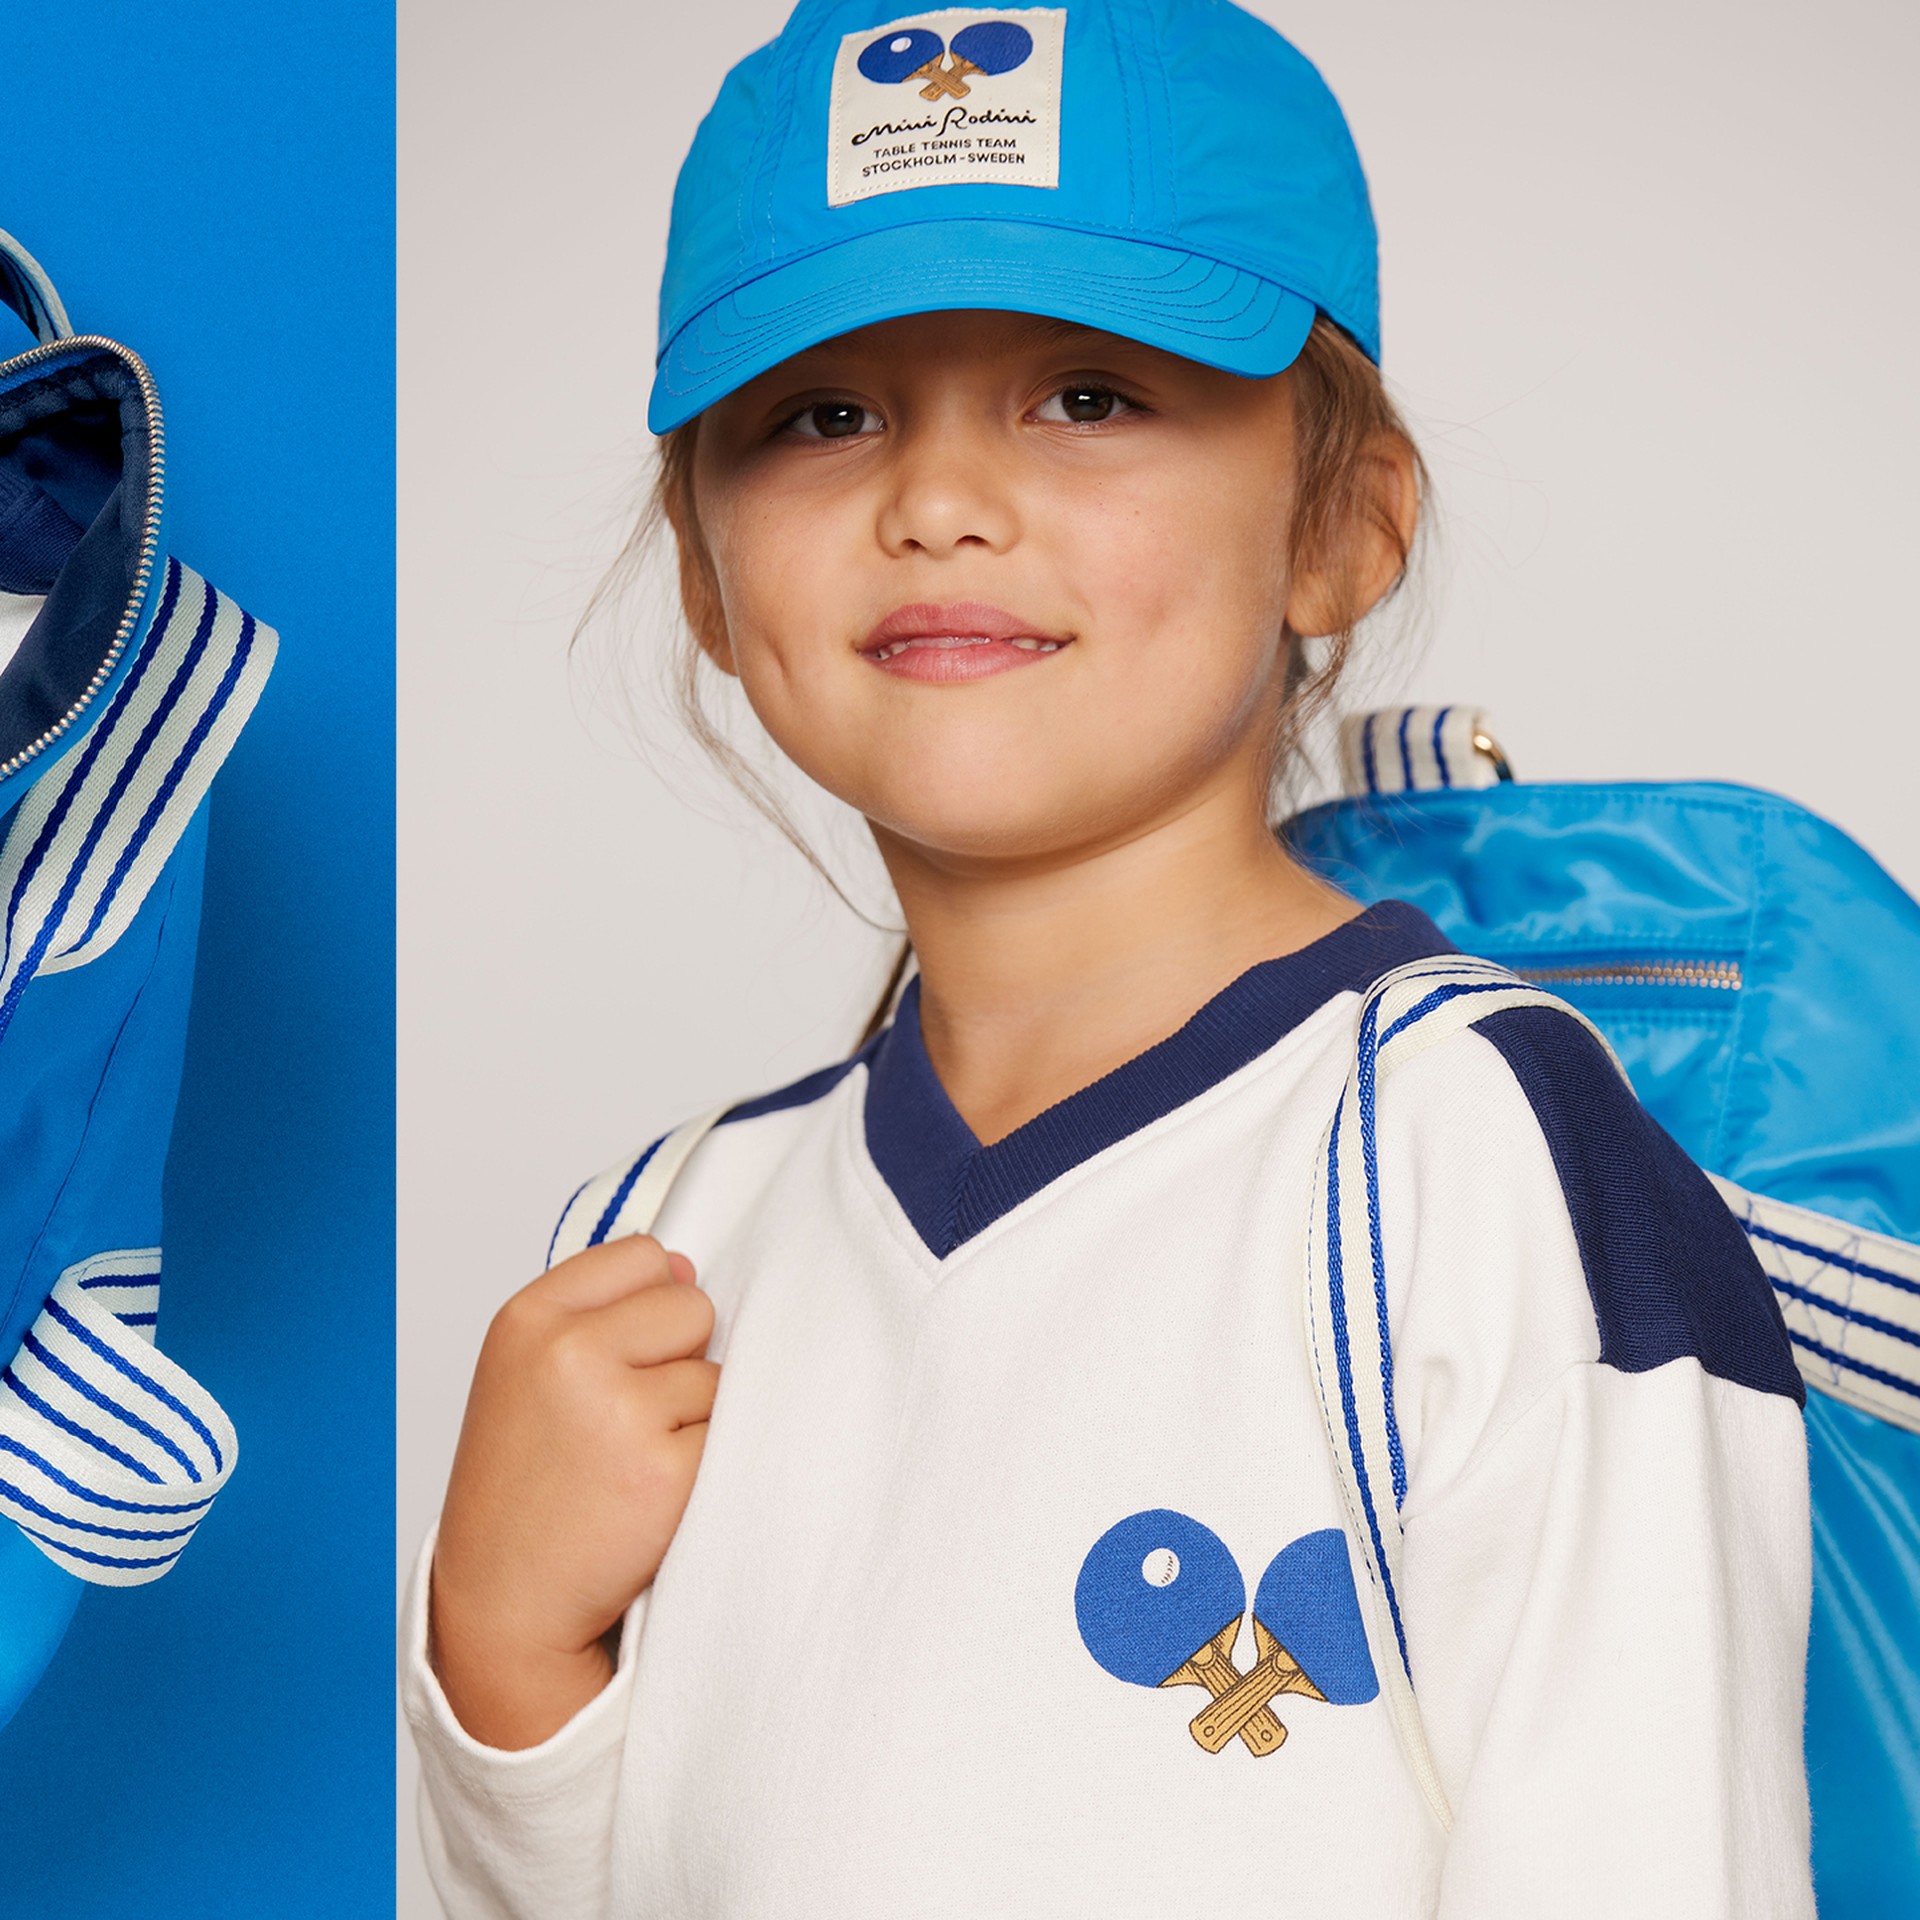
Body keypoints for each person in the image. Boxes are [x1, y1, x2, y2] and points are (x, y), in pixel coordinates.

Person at [401, 2, 1815, 1913]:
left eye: (1089, 395)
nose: (938, 501)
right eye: (825, 414)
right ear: (704, 579)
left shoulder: (1473, 1162)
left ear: (1342, 527)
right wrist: (501, 1663)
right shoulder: (660, 1238)